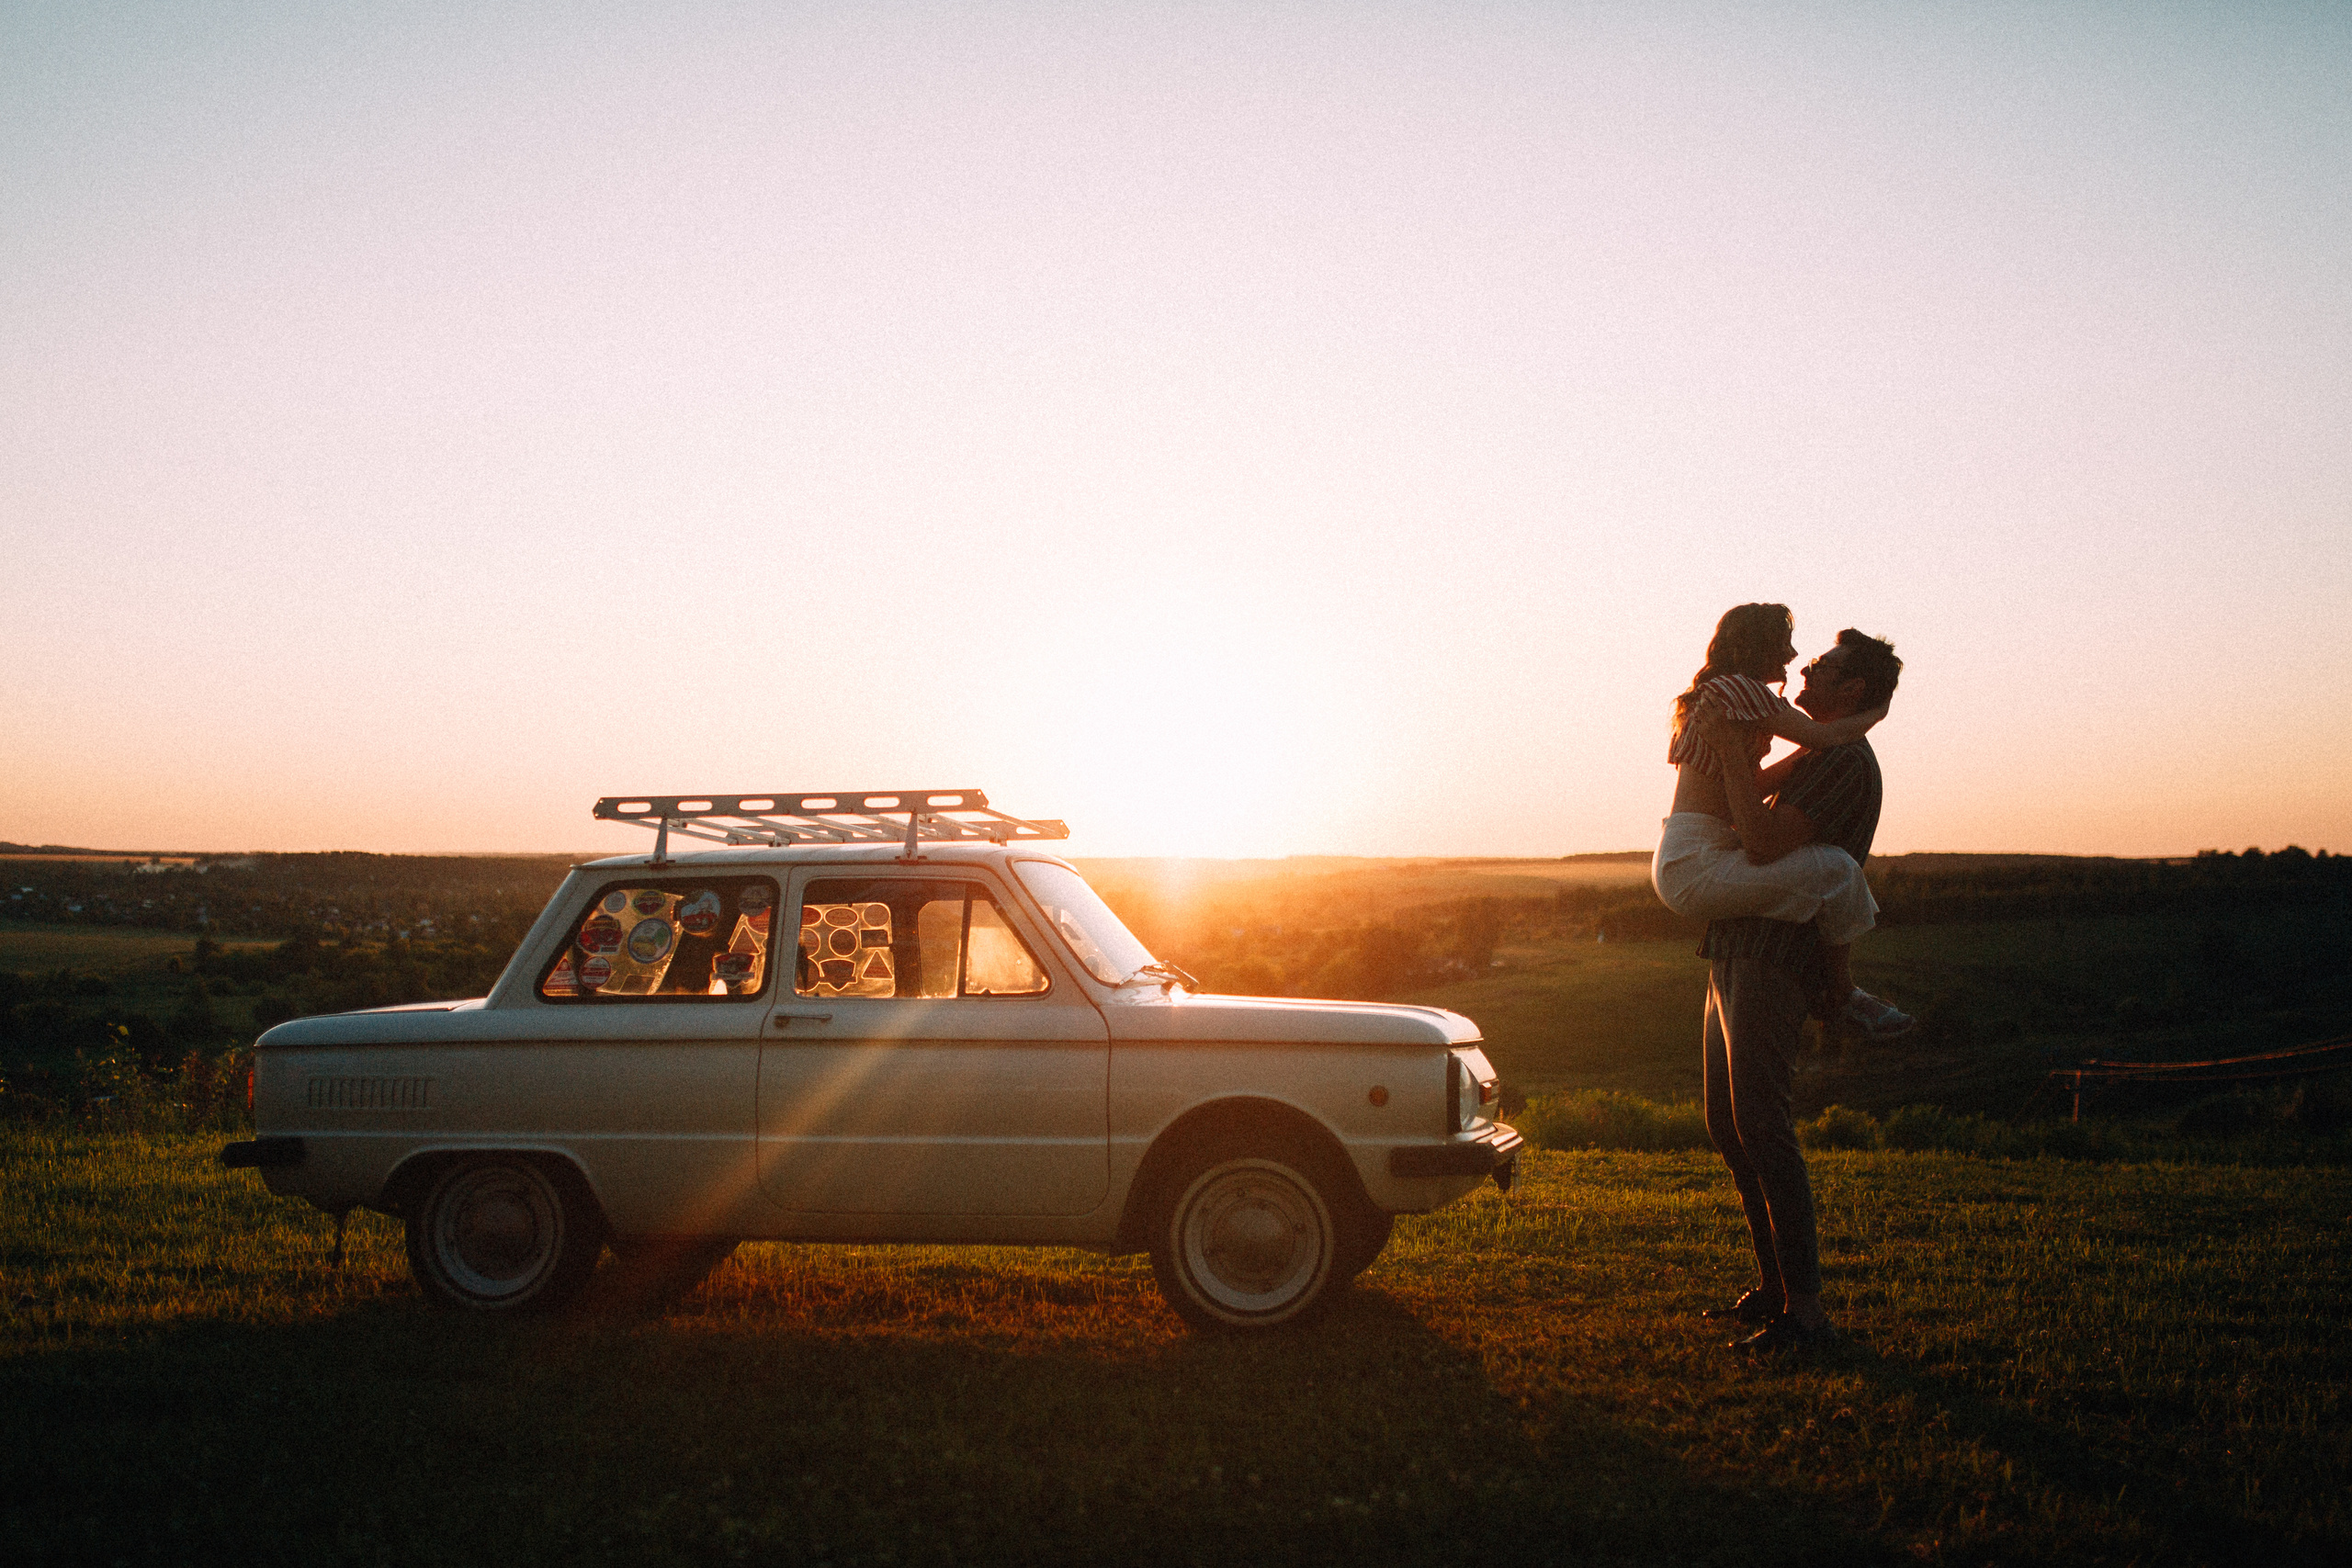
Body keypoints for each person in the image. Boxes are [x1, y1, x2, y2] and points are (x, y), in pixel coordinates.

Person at [1689, 627, 1903, 1354]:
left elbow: (1759, 841)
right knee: (1729, 1124)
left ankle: (1806, 1315)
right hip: (1737, 944)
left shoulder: (1843, 763)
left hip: (1774, 956)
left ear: (1854, 692)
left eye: (1825, 665)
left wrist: (1723, 750)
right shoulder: (1820, 750)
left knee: (1764, 1126)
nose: (1805, 666)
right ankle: (1775, 1289)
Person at [1652, 603, 1912, 1038]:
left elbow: (1750, 787)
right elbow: (1824, 736)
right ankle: (1842, 995)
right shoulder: (1741, 691)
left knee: (1829, 873)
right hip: (1697, 856)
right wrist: (1875, 714)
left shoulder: (1726, 694)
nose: (1793, 657)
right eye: (1785, 646)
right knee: (1839, 871)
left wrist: (1802, 755)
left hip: (1688, 853)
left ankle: (1837, 991)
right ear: (1758, 648)